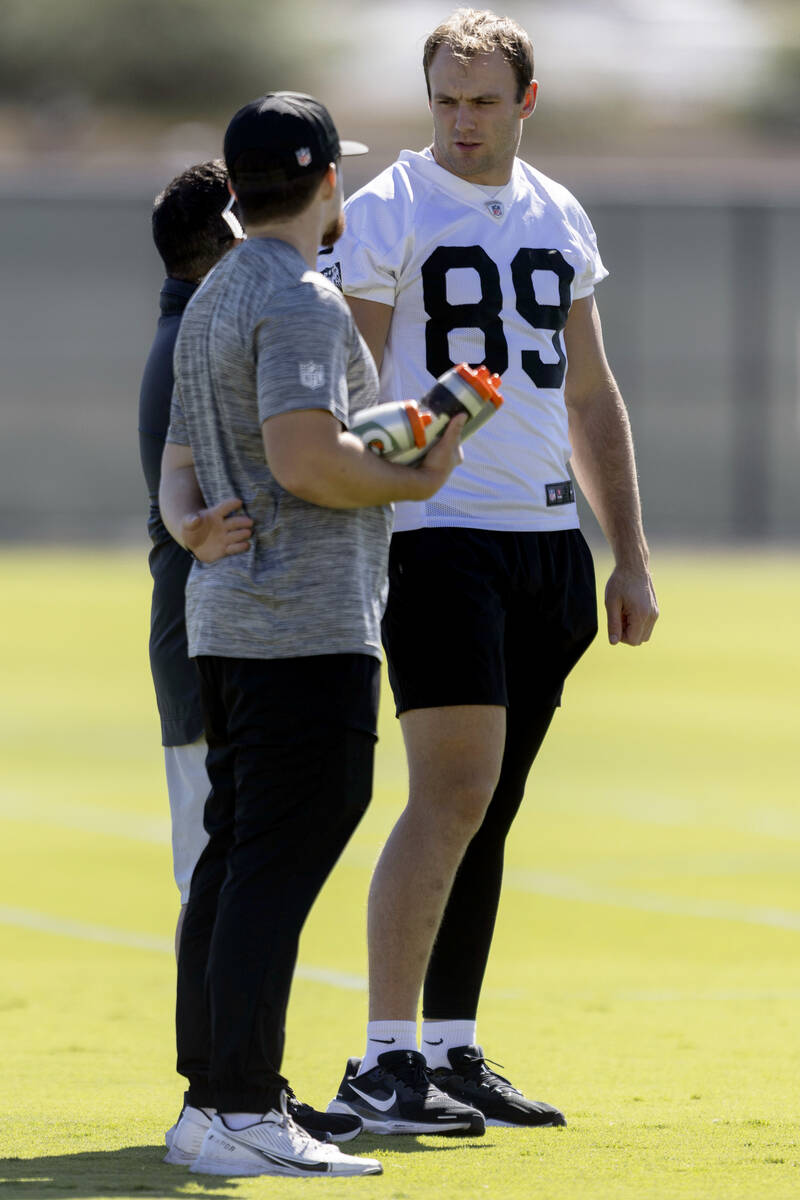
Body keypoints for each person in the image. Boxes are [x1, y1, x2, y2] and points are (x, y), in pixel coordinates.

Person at [323, 8, 659, 1133]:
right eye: (443, 100)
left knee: (491, 806)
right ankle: (381, 1062)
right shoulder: (387, 209)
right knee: (452, 793)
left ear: (523, 101)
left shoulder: (558, 209)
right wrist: (396, 461)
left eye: (480, 100)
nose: (459, 121)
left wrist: (627, 555)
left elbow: (589, 394)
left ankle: (453, 1049)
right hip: (438, 536)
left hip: (545, 544)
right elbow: (353, 382)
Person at [158, 91, 472, 1178]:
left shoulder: (215, 291)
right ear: (325, 181)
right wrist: (421, 466)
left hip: (234, 615)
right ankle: (240, 1108)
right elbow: (300, 458)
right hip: (299, 621)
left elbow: (212, 454)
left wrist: (386, 435)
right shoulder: (295, 296)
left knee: (238, 862)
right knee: (272, 866)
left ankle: (212, 1101)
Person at [139, 160, 244, 963]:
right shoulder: (193, 346)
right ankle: (215, 1082)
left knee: (229, 876)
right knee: (213, 880)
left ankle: (232, 1080)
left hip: (213, 643)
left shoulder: (194, 333)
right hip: (206, 644)